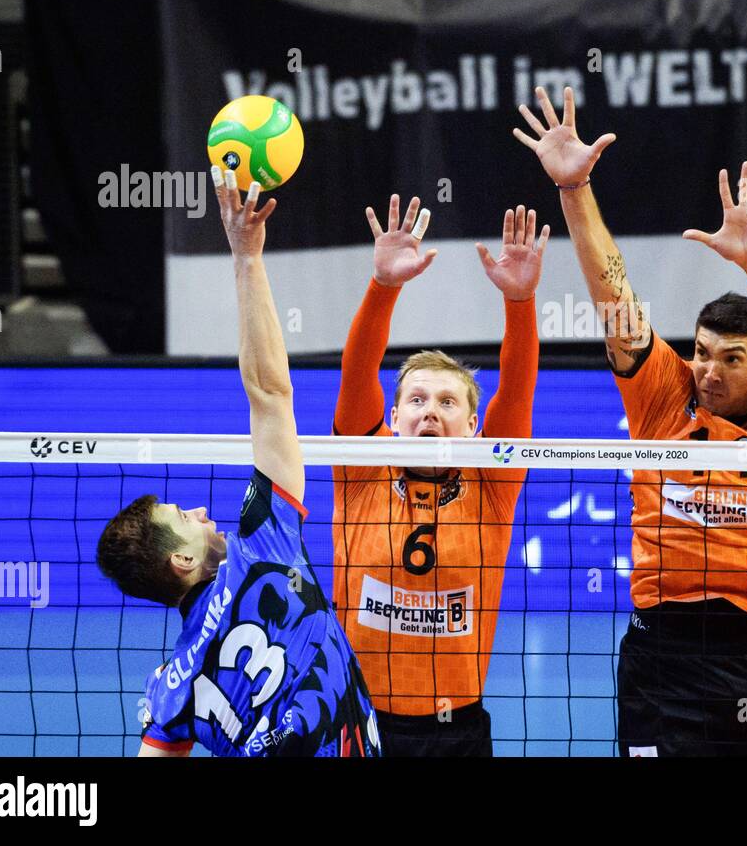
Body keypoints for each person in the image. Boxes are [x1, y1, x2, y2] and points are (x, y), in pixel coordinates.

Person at [515, 86, 747, 756]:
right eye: (702, 352)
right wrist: (575, 190)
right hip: (665, 658)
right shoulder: (665, 394)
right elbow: (615, 297)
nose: (710, 370)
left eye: (732, 359)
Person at [97, 168, 379, 757]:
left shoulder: (173, 686)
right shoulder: (263, 540)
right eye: (183, 515)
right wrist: (247, 257)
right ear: (180, 558)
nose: (201, 511)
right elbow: (271, 394)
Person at [332, 196, 546, 756]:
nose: (430, 410)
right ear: (393, 416)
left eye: (448, 401)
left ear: (474, 426)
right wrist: (383, 285)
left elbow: (517, 389)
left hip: (456, 734)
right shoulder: (362, 467)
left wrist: (519, 300)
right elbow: (357, 373)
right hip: (357, 721)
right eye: (417, 399)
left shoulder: (492, 483)